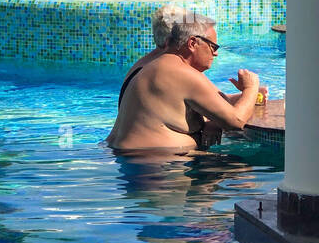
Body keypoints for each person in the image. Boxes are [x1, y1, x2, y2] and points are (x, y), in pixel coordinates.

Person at [108, 13, 261, 154]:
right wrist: (251, 87)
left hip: (128, 158)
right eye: (213, 47)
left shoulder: (152, 66)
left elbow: (215, 105)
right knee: (246, 176)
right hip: (157, 166)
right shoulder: (184, 74)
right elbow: (236, 121)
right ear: (193, 43)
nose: (215, 53)